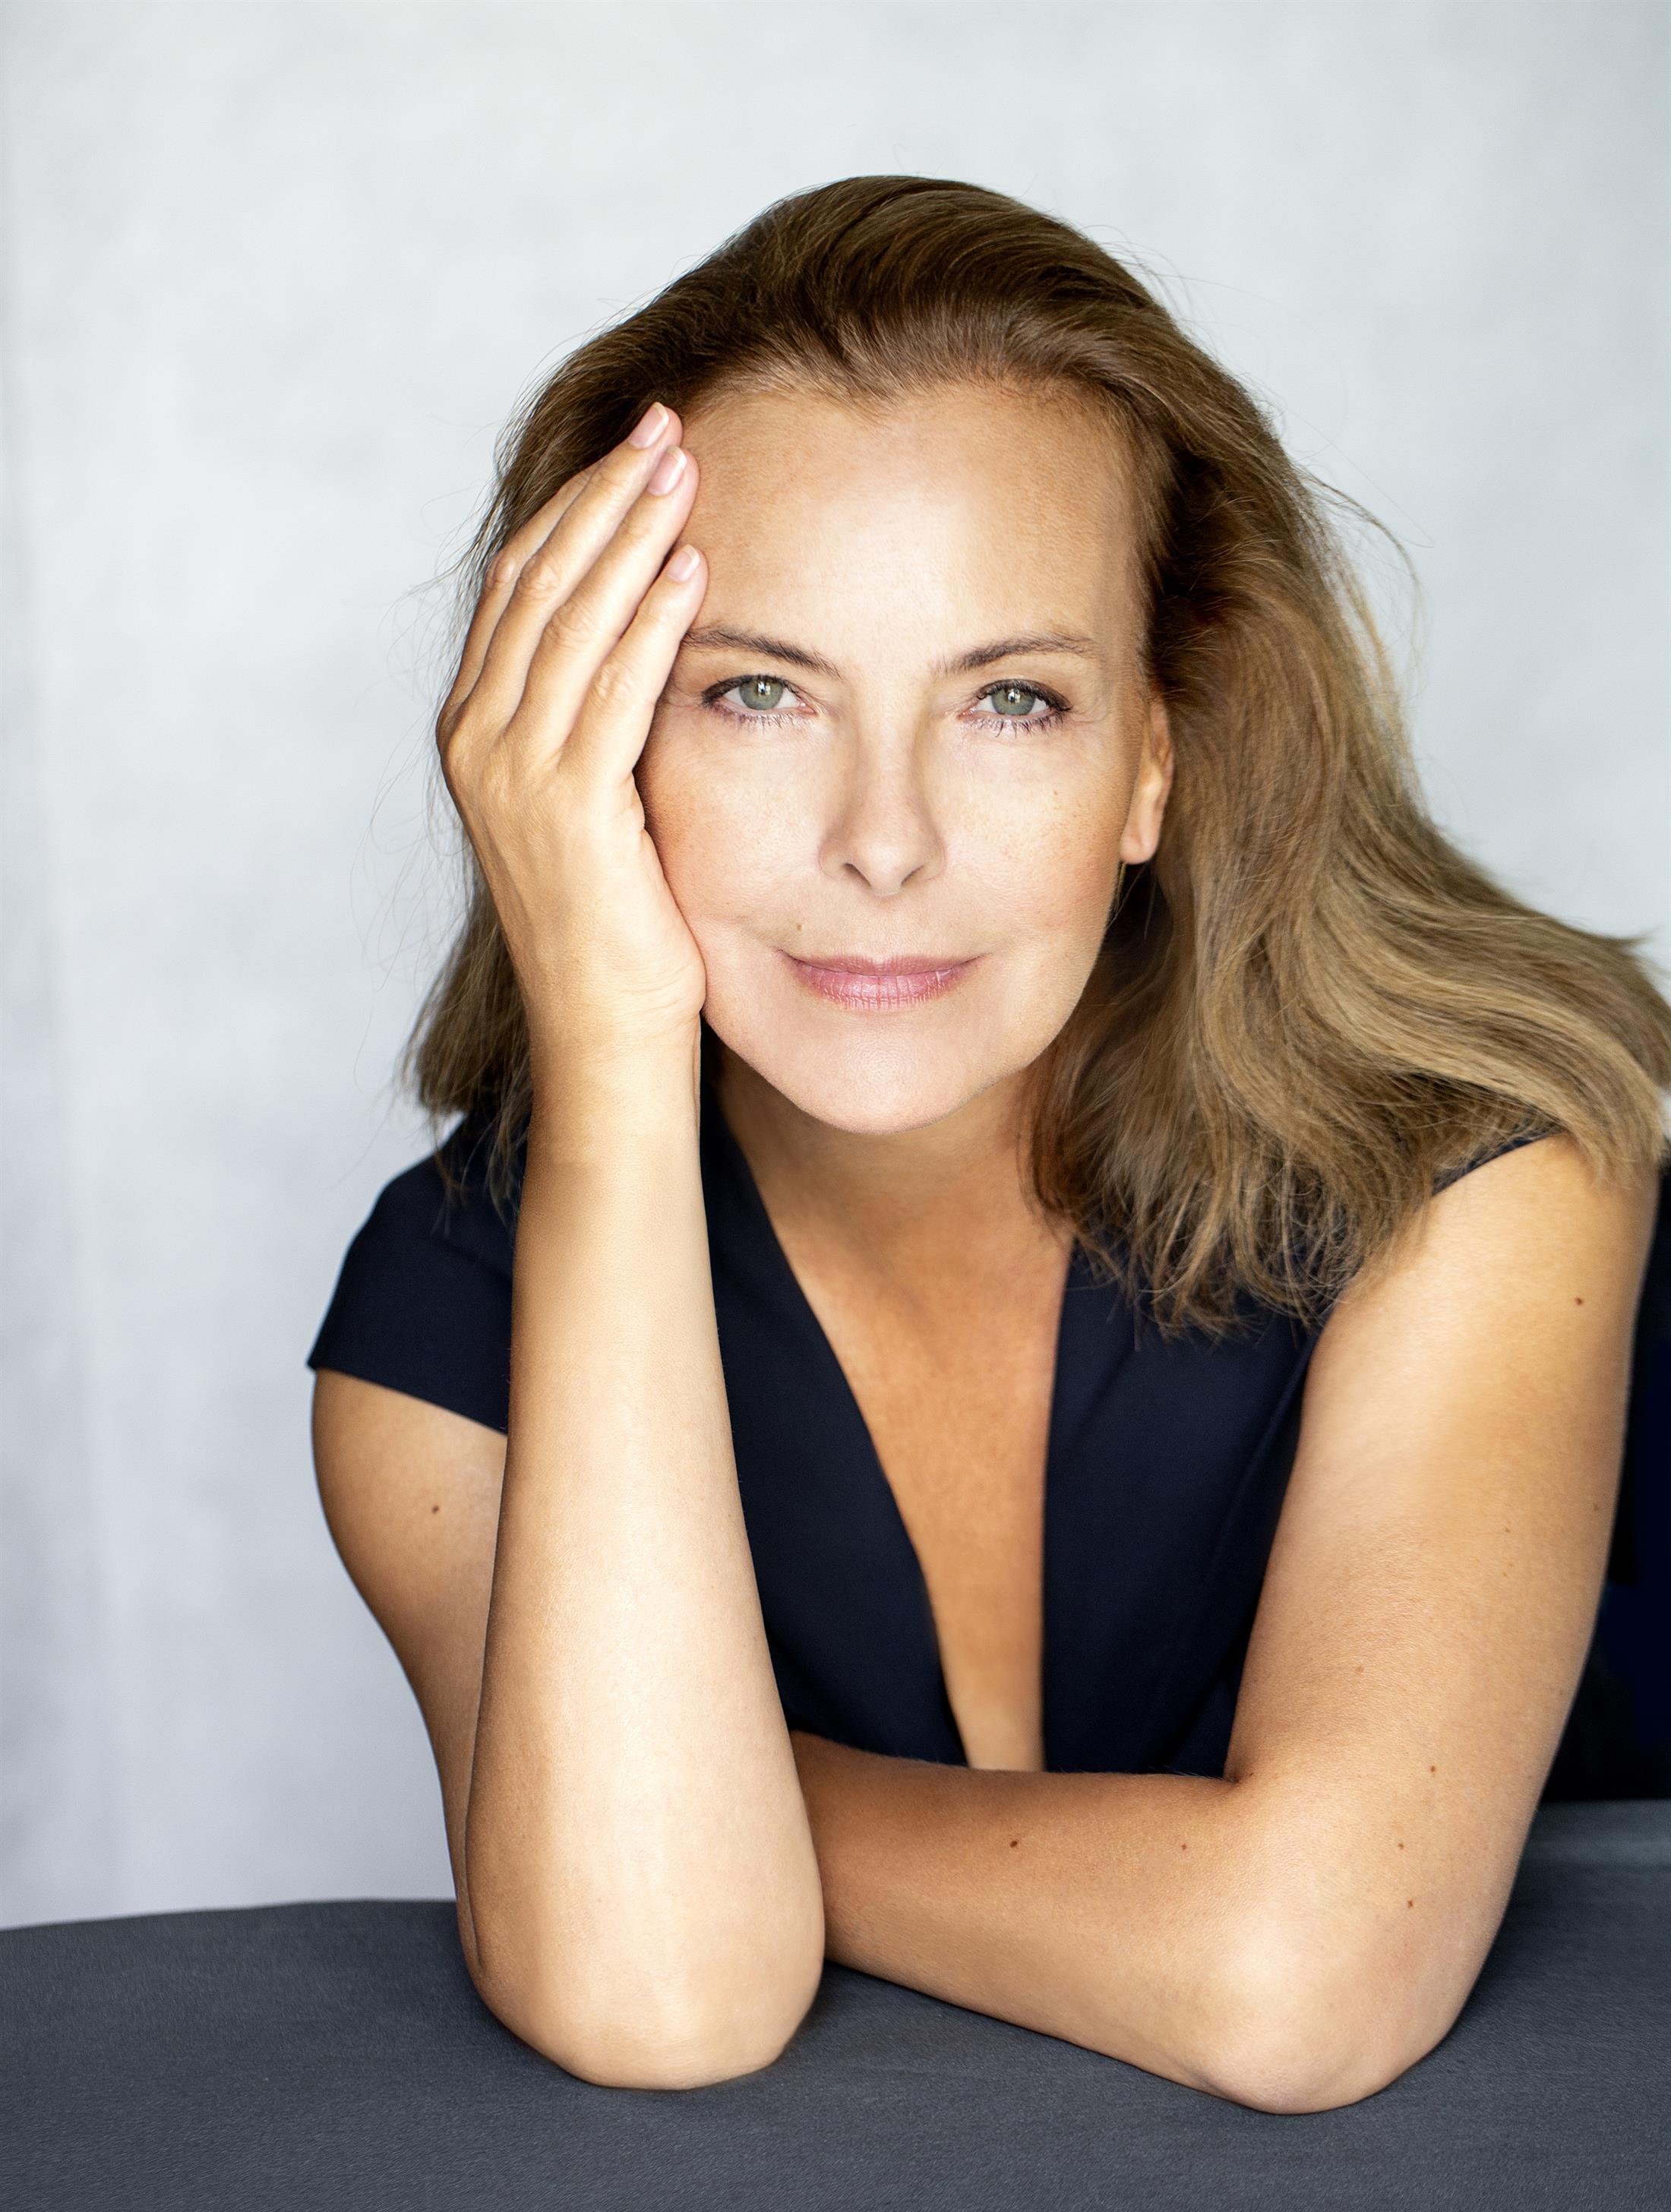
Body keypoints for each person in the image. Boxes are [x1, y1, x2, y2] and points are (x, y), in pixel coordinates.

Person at [306, 176, 1669, 2109]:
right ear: (589, 746)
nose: (884, 841)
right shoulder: (442, 1320)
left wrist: (712, 1800)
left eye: (1011, 700)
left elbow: (1302, 1977)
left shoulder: (1479, 1158)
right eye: (758, 693)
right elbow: (659, 1994)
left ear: (1151, 762)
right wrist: (606, 1055)